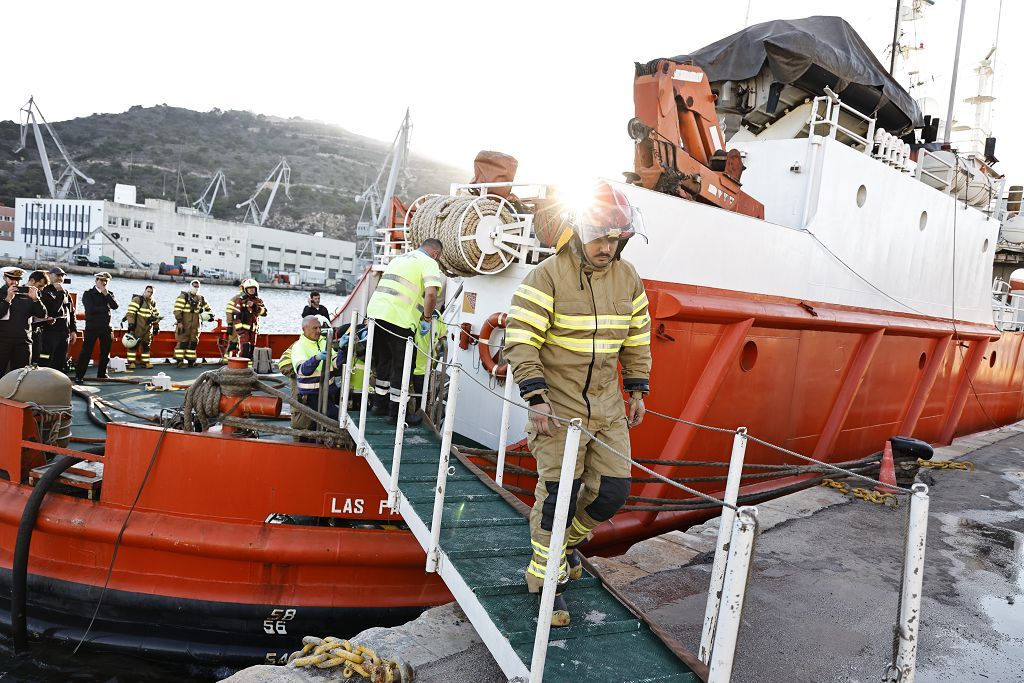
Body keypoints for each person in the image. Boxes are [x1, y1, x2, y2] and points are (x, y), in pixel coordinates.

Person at [504, 181, 652, 627]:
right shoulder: (547, 275)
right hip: (559, 405)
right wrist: (536, 397)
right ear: (580, 231)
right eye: (600, 237)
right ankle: (546, 586)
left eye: (615, 238)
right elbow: (520, 339)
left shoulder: (628, 278)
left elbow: (637, 337)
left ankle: (565, 547)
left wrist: (638, 388)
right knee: (559, 496)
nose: (607, 247)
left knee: (612, 493)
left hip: (607, 405)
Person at [365, 238, 444, 426]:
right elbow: (431, 294)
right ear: (435, 253)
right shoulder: (429, 262)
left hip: (376, 314)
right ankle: (397, 414)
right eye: (438, 257)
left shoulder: (399, 259)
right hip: (399, 320)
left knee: (383, 361)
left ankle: (379, 405)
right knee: (403, 367)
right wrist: (426, 318)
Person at [290, 315, 341, 430]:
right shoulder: (299, 347)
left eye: (319, 328)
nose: (318, 331)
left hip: (328, 392)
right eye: (315, 328)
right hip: (312, 395)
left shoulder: (324, 343)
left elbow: (336, 363)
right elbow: (303, 370)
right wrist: (316, 359)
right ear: (304, 329)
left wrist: (342, 349)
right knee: (334, 416)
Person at [0, 266, 46, 374]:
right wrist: (7, 300)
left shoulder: (27, 294)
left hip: (23, 342)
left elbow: (42, 314)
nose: (15, 282)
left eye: (18, 280)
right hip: (2, 341)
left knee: (21, 375)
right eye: (12, 279)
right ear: (4, 278)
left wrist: (35, 299)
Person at [74, 272, 119, 382]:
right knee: (86, 352)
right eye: (101, 280)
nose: (103, 283)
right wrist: (105, 308)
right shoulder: (88, 294)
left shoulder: (109, 294)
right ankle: (79, 376)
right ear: (96, 281)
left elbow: (115, 306)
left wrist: (106, 294)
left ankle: (102, 374)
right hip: (92, 327)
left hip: (106, 327)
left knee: (105, 352)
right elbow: (90, 310)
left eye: (106, 281)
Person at [39, 267, 77, 371]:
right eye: (57, 275)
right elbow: (53, 311)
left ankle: (57, 383)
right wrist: (60, 293)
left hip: (63, 333)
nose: (60, 278)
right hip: (50, 332)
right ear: (49, 275)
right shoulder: (45, 291)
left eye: (62, 276)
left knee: (60, 361)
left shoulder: (65, 292)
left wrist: (73, 330)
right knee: (46, 360)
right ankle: (42, 383)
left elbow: (71, 312)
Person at [173, 279, 213, 367]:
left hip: (195, 326)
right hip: (184, 324)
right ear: (191, 286)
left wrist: (210, 316)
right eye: (194, 286)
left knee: (193, 343)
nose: (196, 288)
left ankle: (191, 362)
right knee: (182, 343)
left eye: (198, 286)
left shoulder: (200, 298)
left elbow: (208, 309)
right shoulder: (183, 296)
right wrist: (179, 321)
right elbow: (177, 310)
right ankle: (179, 362)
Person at [227, 279, 267, 360]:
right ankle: (240, 367)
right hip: (243, 330)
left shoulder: (258, 301)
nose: (251, 290)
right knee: (244, 349)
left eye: (253, 288)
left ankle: (249, 368)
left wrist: (255, 306)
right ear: (245, 289)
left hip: (253, 330)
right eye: (249, 289)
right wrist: (235, 327)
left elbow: (264, 313)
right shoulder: (240, 300)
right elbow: (235, 315)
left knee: (252, 350)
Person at [123, 285, 161, 369]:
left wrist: (156, 326)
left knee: (146, 346)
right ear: (145, 291)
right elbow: (130, 313)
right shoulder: (137, 300)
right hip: (137, 327)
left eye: (152, 292)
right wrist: (131, 324)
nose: (150, 294)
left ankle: (145, 362)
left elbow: (156, 316)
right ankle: (131, 363)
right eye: (148, 291)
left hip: (147, 329)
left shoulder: (153, 303)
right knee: (132, 346)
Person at [27, 271, 49, 364]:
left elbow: (42, 313)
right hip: (22, 334)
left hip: (35, 332)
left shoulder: (38, 294)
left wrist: (36, 299)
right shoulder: (16, 293)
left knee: (35, 358)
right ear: (32, 281)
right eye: (40, 286)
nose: (40, 289)